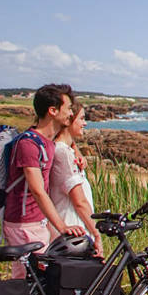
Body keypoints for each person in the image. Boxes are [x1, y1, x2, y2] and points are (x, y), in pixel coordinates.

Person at [2, 83, 86, 277]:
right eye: (68, 109)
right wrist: (62, 226)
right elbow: (37, 190)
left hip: (38, 222)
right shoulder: (29, 144)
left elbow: (66, 139)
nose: (71, 114)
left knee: (41, 282)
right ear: (53, 111)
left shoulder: (47, 140)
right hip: (24, 224)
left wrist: (76, 150)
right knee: (28, 281)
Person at [50, 98, 103, 257]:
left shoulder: (65, 150)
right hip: (73, 233)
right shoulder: (63, 153)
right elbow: (79, 202)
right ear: (68, 121)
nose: (84, 123)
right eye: (81, 118)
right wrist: (97, 234)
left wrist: (75, 149)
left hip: (73, 233)